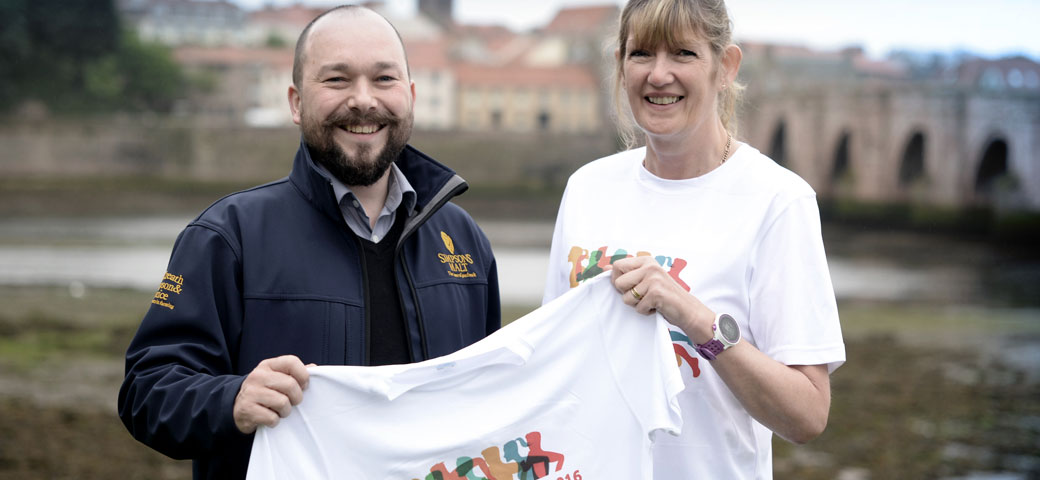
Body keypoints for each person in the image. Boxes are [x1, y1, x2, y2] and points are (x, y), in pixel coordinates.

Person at [118, 6, 500, 479]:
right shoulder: (226, 236)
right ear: (296, 102)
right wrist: (229, 400)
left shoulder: (465, 243)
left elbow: (494, 400)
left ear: (411, 96)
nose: (364, 101)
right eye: (337, 80)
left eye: (384, 79)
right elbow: (146, 391)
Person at [541, 0, 845, 478]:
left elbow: (807, 415)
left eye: (683, 53)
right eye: (641, 54)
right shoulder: (586, 189)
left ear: (725, 67)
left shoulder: (778, 201)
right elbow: (550, 373)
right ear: (621, 66)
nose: (659, 75)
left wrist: (694, 317)